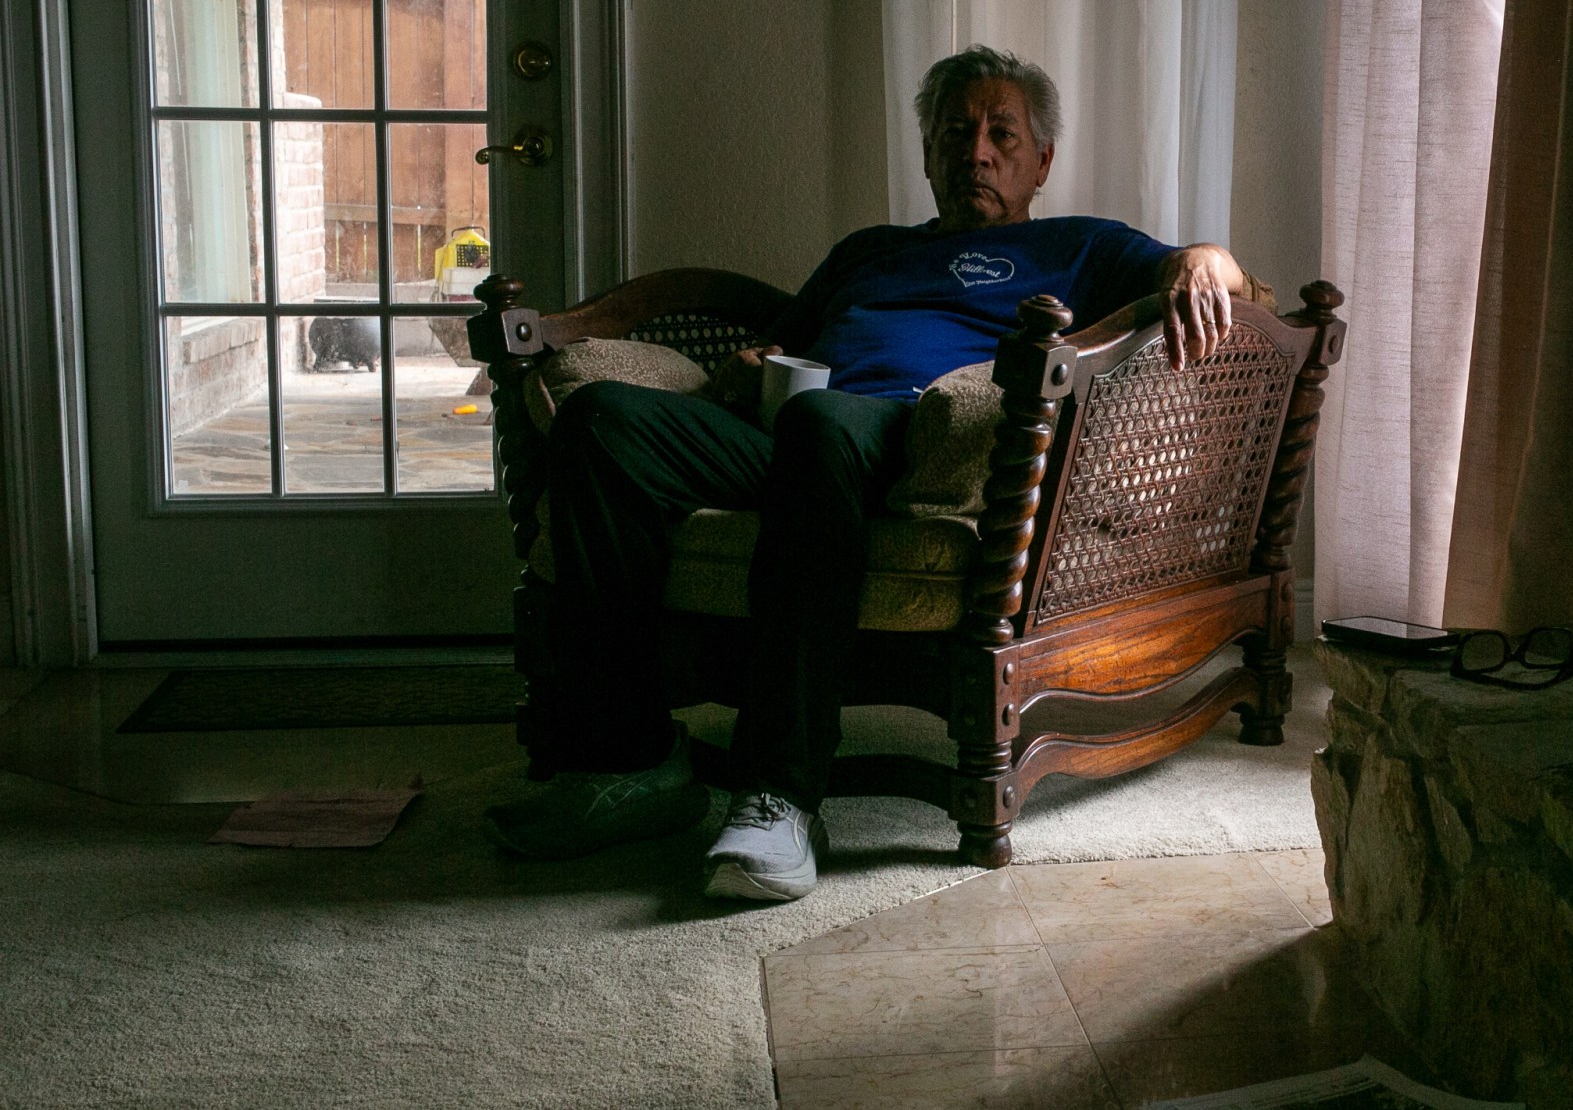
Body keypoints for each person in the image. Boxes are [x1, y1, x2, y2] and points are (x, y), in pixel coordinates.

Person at [484, 45, 1255, 902]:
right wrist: (751, 365)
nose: (976, 153)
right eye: (955, 134)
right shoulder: (869, 252)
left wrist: (1201, 259)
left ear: (1041, 161)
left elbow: (1224, 275)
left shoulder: (1079, 245)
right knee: (601, 423)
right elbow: (784, 341)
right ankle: (632, 762)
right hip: (800, 439)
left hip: (924, 449)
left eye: (1001, 134)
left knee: (819, 424)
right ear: (927, 155)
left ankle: (781, 794)